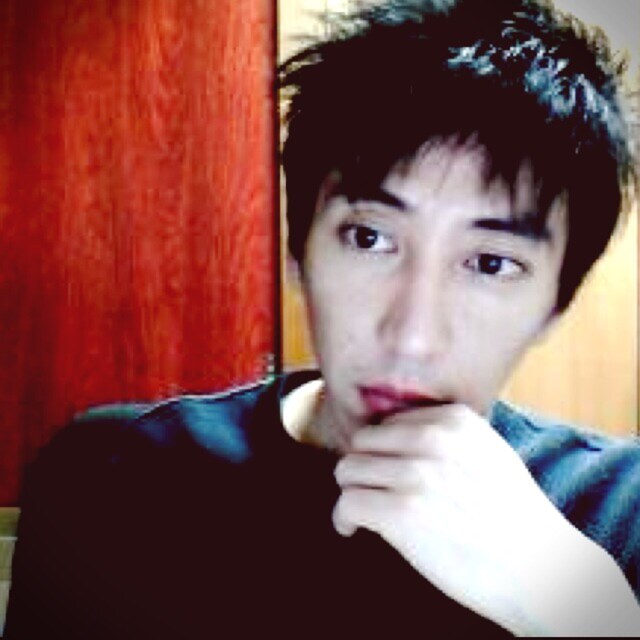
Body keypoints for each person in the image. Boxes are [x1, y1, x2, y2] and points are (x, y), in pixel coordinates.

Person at [5, 0, 639, 636]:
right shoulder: (110, 478)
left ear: (556, 304)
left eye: (491, 264)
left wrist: (580, 608)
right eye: (369, 238)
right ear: (297, 252)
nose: (411, 337)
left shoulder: (623, 512)